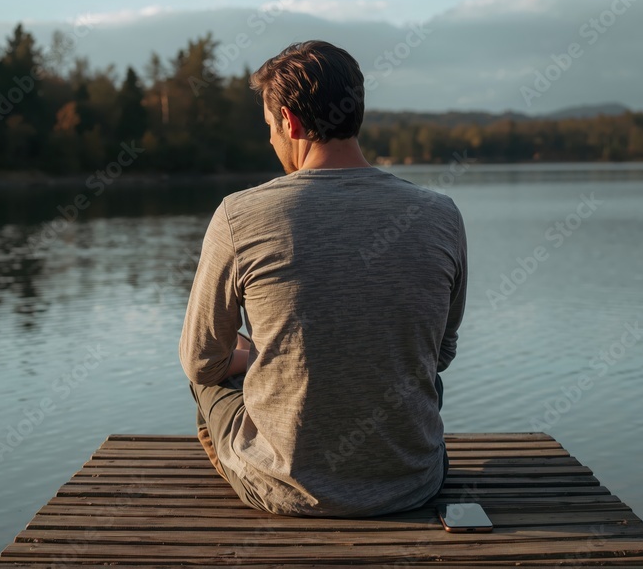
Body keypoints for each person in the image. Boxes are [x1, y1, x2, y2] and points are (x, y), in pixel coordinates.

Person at [178, 40, 467, 517]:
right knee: (422, 376)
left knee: (207, 382)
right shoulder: (440, 213)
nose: (271, 140)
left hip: (284, 491)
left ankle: (259, 463)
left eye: (270, 127)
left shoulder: (239, 215)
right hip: (414, 485)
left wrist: (256, 353)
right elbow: (440, 354)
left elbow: (201, 362)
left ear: (289, 122)